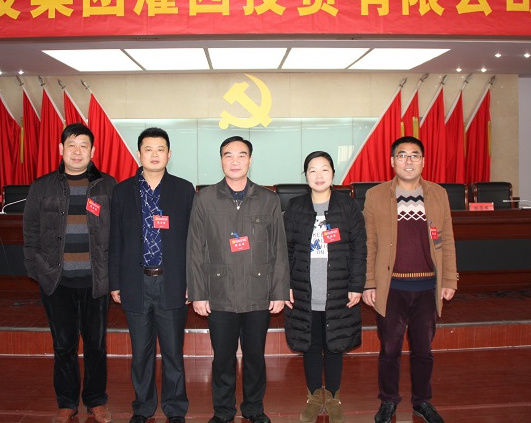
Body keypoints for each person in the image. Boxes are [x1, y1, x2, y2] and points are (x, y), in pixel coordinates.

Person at [187, 135, 290, 423]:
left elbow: (279, 249)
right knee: (223, 357)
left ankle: (254, 408)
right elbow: (195, 249)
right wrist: (198, 293)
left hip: (258, 292)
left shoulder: (268, 199)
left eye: (241, 155)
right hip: (219, 292)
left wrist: (279, 291)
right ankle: (223, 411)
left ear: (250, 160)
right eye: (228, 155)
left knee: (255, 356)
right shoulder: (204, 198)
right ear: (221, 160)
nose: (235, 161)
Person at [23, 123, 116, 423]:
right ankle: (67, 402)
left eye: (83, 146)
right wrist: (36, 270)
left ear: (93, 151)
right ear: (61, 149)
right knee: (63, 345)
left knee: (96, 345)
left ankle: (96, 400)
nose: (77, 151)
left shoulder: (107, 186)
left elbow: (118, 233)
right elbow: (30, 231)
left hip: (95, 281)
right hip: (57, 281)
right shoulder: (42, 186)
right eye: (71, 145)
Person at [362, 136, 458, 423]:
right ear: (392, 161)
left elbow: (447, 239)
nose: (408, 161)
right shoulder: (376, 195)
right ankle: (388, 400)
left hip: (427, 286)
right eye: (402, 155)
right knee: (389, 349)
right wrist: (369, 282)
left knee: (423, 350)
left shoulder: (438, 194)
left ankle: (422, 401)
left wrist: (449, 279)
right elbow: (369, 243)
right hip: (391, 287)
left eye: (414, 155)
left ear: (423, 161)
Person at [109, 127, 194, 423]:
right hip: (136, 282)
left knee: (173, 353)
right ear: (139, 154)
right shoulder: (122, 191)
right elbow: (115, 239)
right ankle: (143, 408)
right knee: (141, 353)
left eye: (160, 149)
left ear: (169, 154)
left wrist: (191, 283)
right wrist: (115, 282)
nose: (154, 155)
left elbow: (193, 241)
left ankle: (175, 408)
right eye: (148, 149)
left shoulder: (184, 190)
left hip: (172, 282)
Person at [283, 151, 366, 423]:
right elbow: (286, 249)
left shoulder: (348, 207)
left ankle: (332, 398)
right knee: (310, 345)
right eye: (312, 170)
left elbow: (359, 248)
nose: (319, 175)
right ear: (305, 175)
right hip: (304, 290)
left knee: (334, 345)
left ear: (333, 174)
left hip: (339, 289)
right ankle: (312, 398)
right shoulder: (295, 207)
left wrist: (356, 285)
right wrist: (286, 285)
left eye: (324, 170)